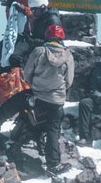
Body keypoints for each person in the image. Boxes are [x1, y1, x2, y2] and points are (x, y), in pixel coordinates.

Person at [20, 23, 75, 173]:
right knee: (53, 130)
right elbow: (69, 80)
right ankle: (53, 164)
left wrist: (35, 86)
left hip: (38, 96)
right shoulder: (68, 55)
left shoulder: (39, 51)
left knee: (33, 120)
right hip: (56, 100)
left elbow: (27, 73)